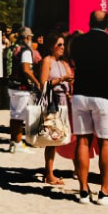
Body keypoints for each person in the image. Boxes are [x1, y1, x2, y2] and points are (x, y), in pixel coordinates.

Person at [70, 10, 108, 205]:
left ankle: (83, 190)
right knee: (106, 143)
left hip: (80, 94)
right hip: (104, 95)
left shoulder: (78, 42)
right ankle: (105, 191)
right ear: (107, 25)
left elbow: (73, 63)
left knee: (83, 141)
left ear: (89, 23)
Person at [38, 34, 74, 184]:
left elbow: (70, 79)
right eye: (59, 45)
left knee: (61, 137)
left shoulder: (63, 63)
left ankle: (55, 172)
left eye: (63, 45)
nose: (62, 48)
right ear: (52, 46)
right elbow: (43, 84)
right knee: (52, 139)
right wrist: (61, 80)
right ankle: (49, 174)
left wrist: (68, 89)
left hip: (64, 102)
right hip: (53, 103)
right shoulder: (48, 61)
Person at [7, 27, 39, 154]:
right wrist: (36, 82)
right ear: (28, 37)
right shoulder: (25, 50)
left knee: (14, 115)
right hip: (22, 86)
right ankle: (18, 142)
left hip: (12, 85)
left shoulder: (14, 47)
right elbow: (26, 69)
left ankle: (13, 142)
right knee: (20, 116)